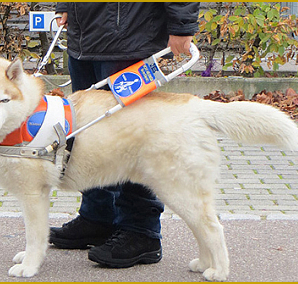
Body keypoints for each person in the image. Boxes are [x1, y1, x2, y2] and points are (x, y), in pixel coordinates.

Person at [50, 2, 200, 268]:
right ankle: (97, 217)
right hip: (85, 40)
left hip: (131, 35)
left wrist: (182, 26)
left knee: (134, 137)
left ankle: (141, 231)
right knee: (89, 135)